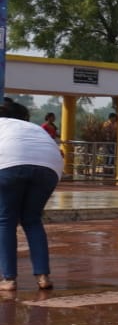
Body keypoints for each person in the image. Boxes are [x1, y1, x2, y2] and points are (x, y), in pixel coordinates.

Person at [0, 101, 63, 293]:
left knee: (5, 220)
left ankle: (9, 279)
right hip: (49, 166)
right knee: (32, 219)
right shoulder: (33, 127)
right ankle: (43, 276)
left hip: (11, 162)